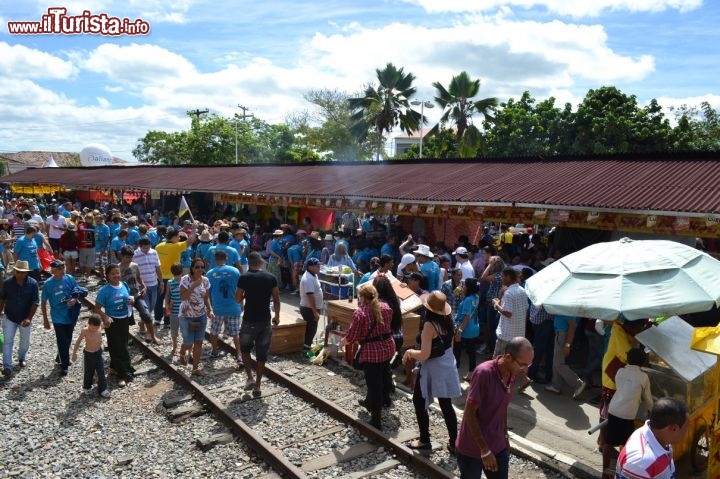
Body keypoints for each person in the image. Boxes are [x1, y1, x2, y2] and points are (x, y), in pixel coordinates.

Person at [455, 337, 534, 479]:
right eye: (523, 365)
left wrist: (505, 435)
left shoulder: (512, 373)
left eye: (529, 365)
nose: (525, 370)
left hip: (497, 444)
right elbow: (469, 413)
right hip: (473, 448)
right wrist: (484, 450)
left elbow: (502, 406)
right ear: (508, 357)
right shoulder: (483, 373)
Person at [402, 290, 461, 452]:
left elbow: (424, 354)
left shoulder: (429, 325)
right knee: (446, 405)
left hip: (432, 367)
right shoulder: (448, 319)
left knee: (419, 401)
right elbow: (451, 345)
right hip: (447, 364)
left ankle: (424, 440)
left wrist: (409, 353)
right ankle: (454, 443)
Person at [340, 283, 396, 430]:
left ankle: (376, 421)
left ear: (363, 297)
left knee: (374, 385)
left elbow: (353, 335)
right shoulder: (386, 307)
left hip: (373, 351)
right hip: (388, 346)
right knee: (384, 374)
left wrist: (343, 342)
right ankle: (382, 401)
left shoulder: (361, 313)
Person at [604, 347, 653, 479]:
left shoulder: (620, 371)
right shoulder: (643, 377)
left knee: (609, 442)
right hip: (627, 414)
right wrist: (651, 410)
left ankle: (605, 470)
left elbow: (623, 387)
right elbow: (648, 398)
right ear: (643, 363)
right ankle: (622, 469)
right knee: (626, 443)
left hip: (614, 409)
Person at [237, 252, 280, 397]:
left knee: (245, 349)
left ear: (249, 263)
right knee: (262, 355)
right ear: (261, 263)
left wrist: (246, 294)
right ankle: (258, 386)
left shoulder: (244, 277)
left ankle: (250, 378)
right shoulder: (271, 278)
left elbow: (238, 298)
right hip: (265, 321)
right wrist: (277, 317)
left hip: (249, 320)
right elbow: (276, 299)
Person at [616, 398, 690, 479]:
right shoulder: (642, 463)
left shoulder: (658, 438)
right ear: (674, 428)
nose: (686, 432)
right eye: (686, 428)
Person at [95, 264, 135, 387]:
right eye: (113, 274)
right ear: (107, 275)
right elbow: (96, 308)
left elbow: (128, 299)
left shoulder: (124, 285)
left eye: (118, 273)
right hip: (112, 321)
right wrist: (105, 317)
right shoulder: (104, 290)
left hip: (124, 320)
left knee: (123, 344)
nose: (116, 276)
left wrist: (131, 302)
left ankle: (113, 367)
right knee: (116, 348)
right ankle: (121, 375)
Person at [41, 259, 82, 376]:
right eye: (59, 269)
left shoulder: (69, 278)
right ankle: (64, 365)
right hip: (57, 317)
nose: (62, 270)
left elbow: (77, 291)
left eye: (63, 268)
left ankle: (60, 356)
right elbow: (43, 303)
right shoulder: (48, 284)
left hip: (70, 314)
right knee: (62, 339)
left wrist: (75, 299)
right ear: (53, 271)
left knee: (68, 339)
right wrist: (45, 320)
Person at [1, 260, 39, 377]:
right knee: (8, 341)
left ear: (26, 273)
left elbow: (35, 302)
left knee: (25, 341)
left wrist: (29, 318)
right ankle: (7, 366)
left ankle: (22, 357)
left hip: (25, 317)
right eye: (18, 272)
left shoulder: (33, 284)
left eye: (23, 272)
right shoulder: (7, 283)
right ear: (15, 271)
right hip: (10, 316)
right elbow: (2, 299)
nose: (20, 274)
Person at [179, 257, 213, 376]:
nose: (199, 269)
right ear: (192, 268)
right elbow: (183, 297)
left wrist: (210, 309)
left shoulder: (206, 281)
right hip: (186, 316)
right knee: (189, 343)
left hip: (201, 315)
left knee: (198, 342)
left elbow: (206, 297)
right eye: (197, 267)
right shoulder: (185, 279)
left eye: (202, 267)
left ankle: (195, 369)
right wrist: (193, 286)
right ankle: (182, 352)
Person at [207, 250, 243, 363]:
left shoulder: (210, 273)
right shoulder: (236, 271)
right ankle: (239, 355)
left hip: (217, 309)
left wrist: (209, 308)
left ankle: (214, 351)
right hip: (234, 307)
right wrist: (241, 303)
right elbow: (241, 290)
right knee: (236, 334)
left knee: (214, 332)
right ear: (226, 259)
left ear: (215, 259)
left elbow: (207, 293)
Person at [118, 245, 158, 344]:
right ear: (122, 256)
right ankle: (124, 339)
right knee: (123, 320)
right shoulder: (117, 268)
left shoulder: (135, 265)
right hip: (124, 298)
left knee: (147, 315)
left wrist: (144, 286)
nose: (129, 259)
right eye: (127, 257)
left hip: (136, 295)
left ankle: (152, 336)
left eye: (131, 257)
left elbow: (139, 278)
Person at [544, 314, 587, 398]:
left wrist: (567, 345)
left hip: (562, 336)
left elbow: (572, 328)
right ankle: (556, 385)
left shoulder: (568, 310)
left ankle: (578, 384)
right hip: (559, 335)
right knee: (556, 362)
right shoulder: (563, 308)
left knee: (559, 364)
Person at [491, 268, 529, 358]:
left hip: (506, 336)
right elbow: (524, 310)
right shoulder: (523, 290)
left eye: (503, 276)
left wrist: (496, 304)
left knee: (498, 362)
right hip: (519, 335)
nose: (502, 279)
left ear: (508, 277)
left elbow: (508, 313)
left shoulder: (509, 293)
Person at [71, 314, 111, 398]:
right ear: (88, 324)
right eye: (92, 327)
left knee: (101, 371)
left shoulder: (100, 327)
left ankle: (103, 389)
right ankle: (87, 387)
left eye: (96, 328)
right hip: (89, 354)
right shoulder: (85, 331)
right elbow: (78, 342)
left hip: (98, 353)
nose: (94, 329)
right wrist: (74, 353)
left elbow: (107, 323)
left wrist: (109, 319)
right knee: (89, 371)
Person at [131, 239, 163, 342]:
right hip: (141, 286)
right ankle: (150, 334)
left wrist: (161, 282)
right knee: (147, 310)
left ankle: (141, 323)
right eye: (144, 247)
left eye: (148, 247)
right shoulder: (134, 254)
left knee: (151, 308)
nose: (146, 249)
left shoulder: (154, 252)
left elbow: (158, 268)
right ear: (140, 246)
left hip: (154, 284)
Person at [454, 278, 481, 381]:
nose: (463, 287)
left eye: (465, 285)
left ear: (468, 287)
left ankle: (454, 374)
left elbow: (466, 317)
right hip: (474, 327)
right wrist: (463, 296)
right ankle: (471, 374)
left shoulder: (468, 300)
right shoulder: (475, 297)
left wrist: (459, 332)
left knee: (457, 352)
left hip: (464, 328)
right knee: (471, 352)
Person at [299, 257, 324, 349]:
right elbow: (310, 296)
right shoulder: (308, 279)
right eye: (317, 266)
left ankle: (306, 346)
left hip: (311, 308)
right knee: (311, 329)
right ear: (311, 267)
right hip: (309, 308)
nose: (319, 267)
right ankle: (306, 348)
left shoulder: (313, 275)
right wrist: (315, 312)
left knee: (312, 328)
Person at [164, 263, 184, 356]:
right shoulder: (170, 282)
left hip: (182, 311)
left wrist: (167, 305)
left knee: (177, 331)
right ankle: (176, 347)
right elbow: (168, 294)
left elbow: (167, 295)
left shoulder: (184, 281)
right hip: (177, 310)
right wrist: (167, 306)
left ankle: (177, 347)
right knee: (175, 330)